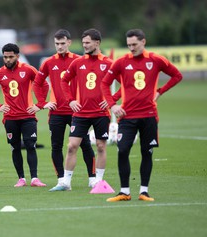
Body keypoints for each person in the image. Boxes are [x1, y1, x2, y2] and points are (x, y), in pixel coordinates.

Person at [101, 29, 183, 201]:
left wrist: (160, 91)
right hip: (127, 116)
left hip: (149, 115)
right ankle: (124, 192)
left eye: (134, 44)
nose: (131, 48)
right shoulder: (121, 62)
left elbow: (177, 75)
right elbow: (104, 83)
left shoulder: (155, 59)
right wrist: (112, 105)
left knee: (147, 152)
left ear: (143, 42)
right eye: (129, 45)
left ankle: (144, 191)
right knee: (122, 150)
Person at [48, 29, 113, 191]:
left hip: (101, 113)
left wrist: (112, 100)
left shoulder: (108, 63)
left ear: (97, 43)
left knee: (100, 146)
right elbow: (64, 81)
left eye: (87, 43)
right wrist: (70, 100)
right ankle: (65, 183)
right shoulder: (77, 62)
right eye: (83, 43)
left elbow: (125, 82)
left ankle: (97, 181)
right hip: (80, 113)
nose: (84, 46)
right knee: (71, 146)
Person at [33, 29, 97, 189]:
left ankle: (92, 178)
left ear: (69, 42)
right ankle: (62, 180)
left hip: (77, 112)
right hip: (56, 113)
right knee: (56, 146)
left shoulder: (79, 60)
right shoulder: (48, 62)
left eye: (62, 43)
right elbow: (37, 83)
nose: (59, 47)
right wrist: (42, 102)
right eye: (57, 44)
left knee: (85, 145)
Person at [0, 43, 47, 187]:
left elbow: (43, 84)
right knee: (15, 147)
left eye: (11, 57)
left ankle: (34, 178)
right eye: (5, 57)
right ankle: (21, 179)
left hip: (28, 116)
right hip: (10, 118)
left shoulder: (28, 70)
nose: (7, 60)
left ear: (17, 56)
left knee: (31, 145)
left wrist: (39, 104)